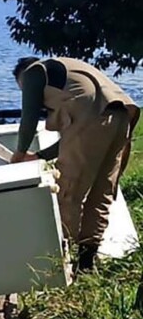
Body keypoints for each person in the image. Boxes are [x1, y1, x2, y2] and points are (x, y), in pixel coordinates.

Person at [9, 56, 139, 271]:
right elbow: (79, 136)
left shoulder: (33, 72)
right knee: (101, 192)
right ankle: (87, 263)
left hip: (95, 119)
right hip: (122, 116)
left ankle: (61, 262)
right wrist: (40, 156)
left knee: (68, 191)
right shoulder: (70, 69)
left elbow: (29, 118)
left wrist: (19, 153)